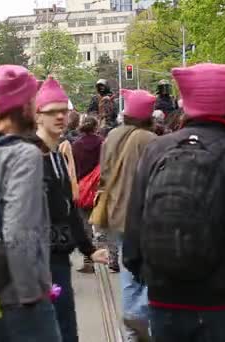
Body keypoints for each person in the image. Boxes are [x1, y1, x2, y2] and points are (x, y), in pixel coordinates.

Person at [124, 63, 225, 342]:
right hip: (222, 298)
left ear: (186, 101)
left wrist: (142, 270)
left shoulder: (156, 150)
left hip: (165, 295)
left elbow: (135, 217)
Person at [0, 63, 61, 342]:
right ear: (25, 105)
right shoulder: (23, 155)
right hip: (17, 295)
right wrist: (33, 294)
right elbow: (18, 231)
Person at [35, 76, 109, 342]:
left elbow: (69, 208)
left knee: (66, 327)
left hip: (58, 257)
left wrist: (89, 249)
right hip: (39, 260)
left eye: (63, 111)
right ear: (37, 116)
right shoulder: (30, 155)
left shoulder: (55, 155)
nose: (59, 117)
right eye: (51, 112)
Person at [99, 89, 157, 341]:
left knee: (127, 268)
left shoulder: (111, 135)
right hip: (143, 212)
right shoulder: (150, 139)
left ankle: (132, 327)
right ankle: (139, 311)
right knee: (150, 268)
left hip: (116, 211)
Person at [72, 116, 103, 273]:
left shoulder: (76, 145)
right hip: (99, 187)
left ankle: (88, 259)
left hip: (82, 188)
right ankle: (111, 258)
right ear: (96, 127)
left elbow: (72, 168)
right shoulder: (102, 143)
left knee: (85, 223)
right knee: (103, 222)